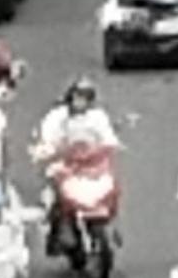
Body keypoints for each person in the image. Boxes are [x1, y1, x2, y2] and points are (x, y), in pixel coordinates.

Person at [31, 76, 121, 255]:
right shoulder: (58, 117)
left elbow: (108, 136)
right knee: (54, 196)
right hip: (67, 166)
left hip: (93, 167)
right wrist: (47, 150)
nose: (81, 102)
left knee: (110, 189)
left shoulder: (97, 117)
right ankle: (57, 232)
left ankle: (108, 224)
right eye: (78, 97)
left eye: (85, 98)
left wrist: (110, 145)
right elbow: (47, 138)